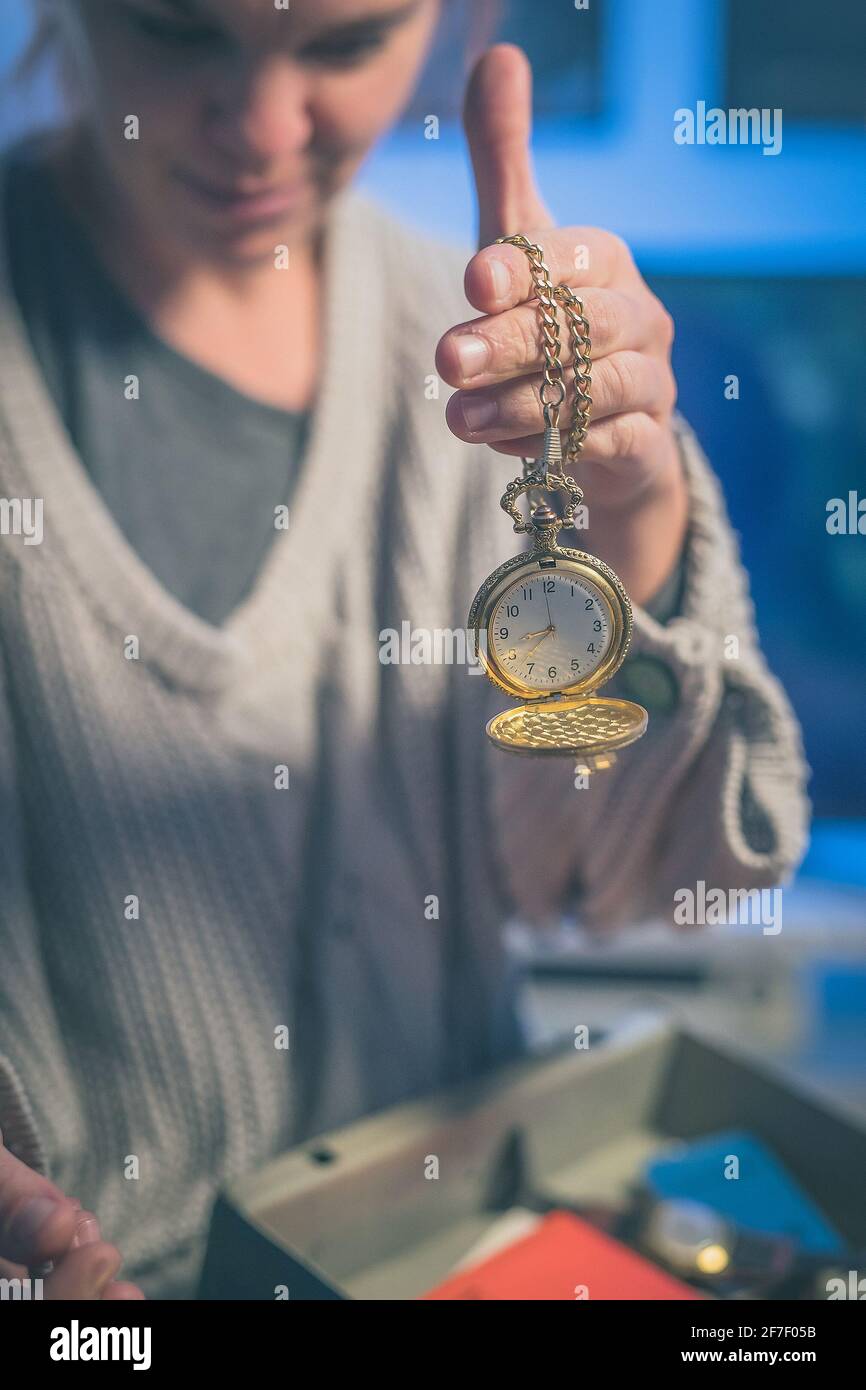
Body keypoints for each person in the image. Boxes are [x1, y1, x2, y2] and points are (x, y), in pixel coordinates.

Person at [0, 0, 808, 1300]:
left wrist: (636, 521)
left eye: (342, 43)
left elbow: (650, 886)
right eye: (175, 28)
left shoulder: (499, 360)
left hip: (449, 1242)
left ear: (451, 20)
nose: (262, 131)